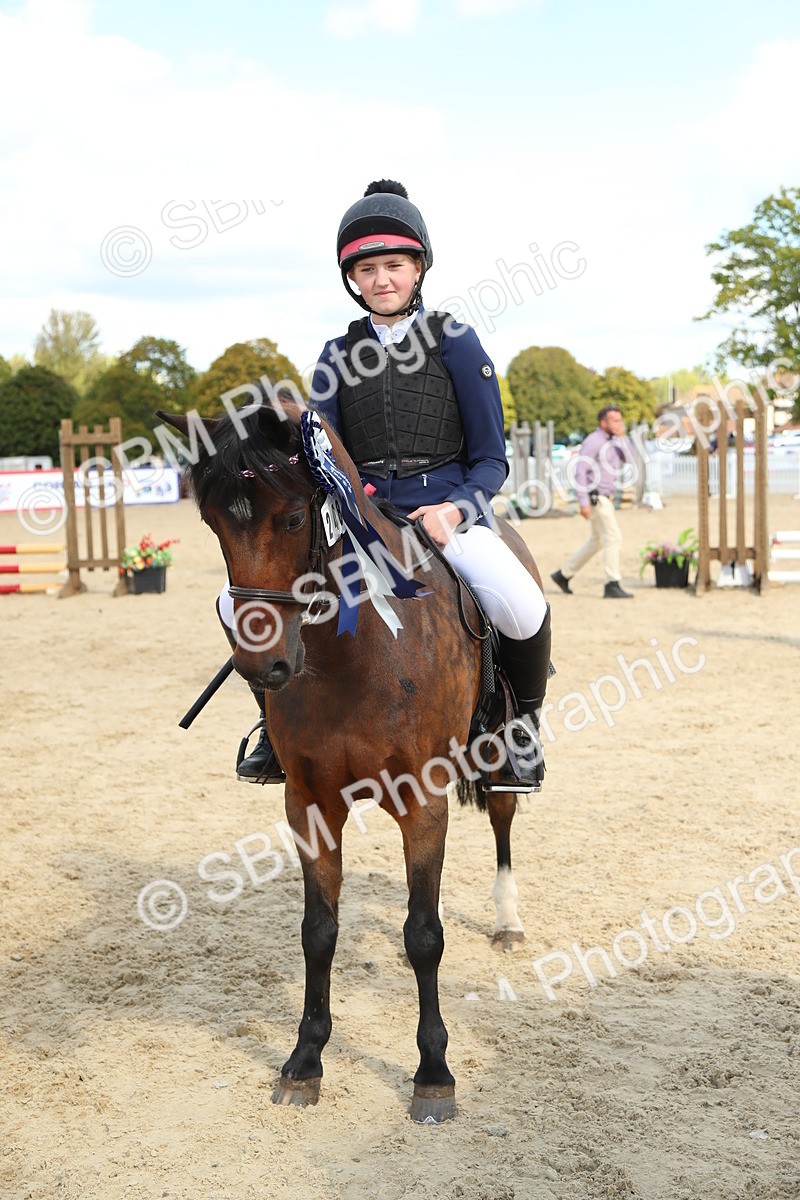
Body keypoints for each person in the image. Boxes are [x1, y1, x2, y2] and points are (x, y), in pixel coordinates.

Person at [228, 179, 552, 790]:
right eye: (367, 269)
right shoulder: (335, 354)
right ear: (352, 278)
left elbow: (491, 460)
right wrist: (283, 425)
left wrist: (455, 512)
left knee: (524, 603)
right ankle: (275, 728)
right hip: (362, 519)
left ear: (418, 268)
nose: (382, 279)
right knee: (242, 602)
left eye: (394, 265)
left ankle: (519, 732)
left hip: (448, 514)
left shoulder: (456, 341)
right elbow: (318, 450)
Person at [550, 405, 635, 599]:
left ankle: (563, 574)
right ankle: (612, 583)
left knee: (596, 541)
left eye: (620, 421)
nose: (618, 424)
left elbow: (630, 459)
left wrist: (622, 437)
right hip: (596, 498)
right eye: (614, 421)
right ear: (603, 422)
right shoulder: (593, 441)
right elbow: (580, 471)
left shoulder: (615, 441)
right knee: (614, 537)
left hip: (606, 497)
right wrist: (583, 502)